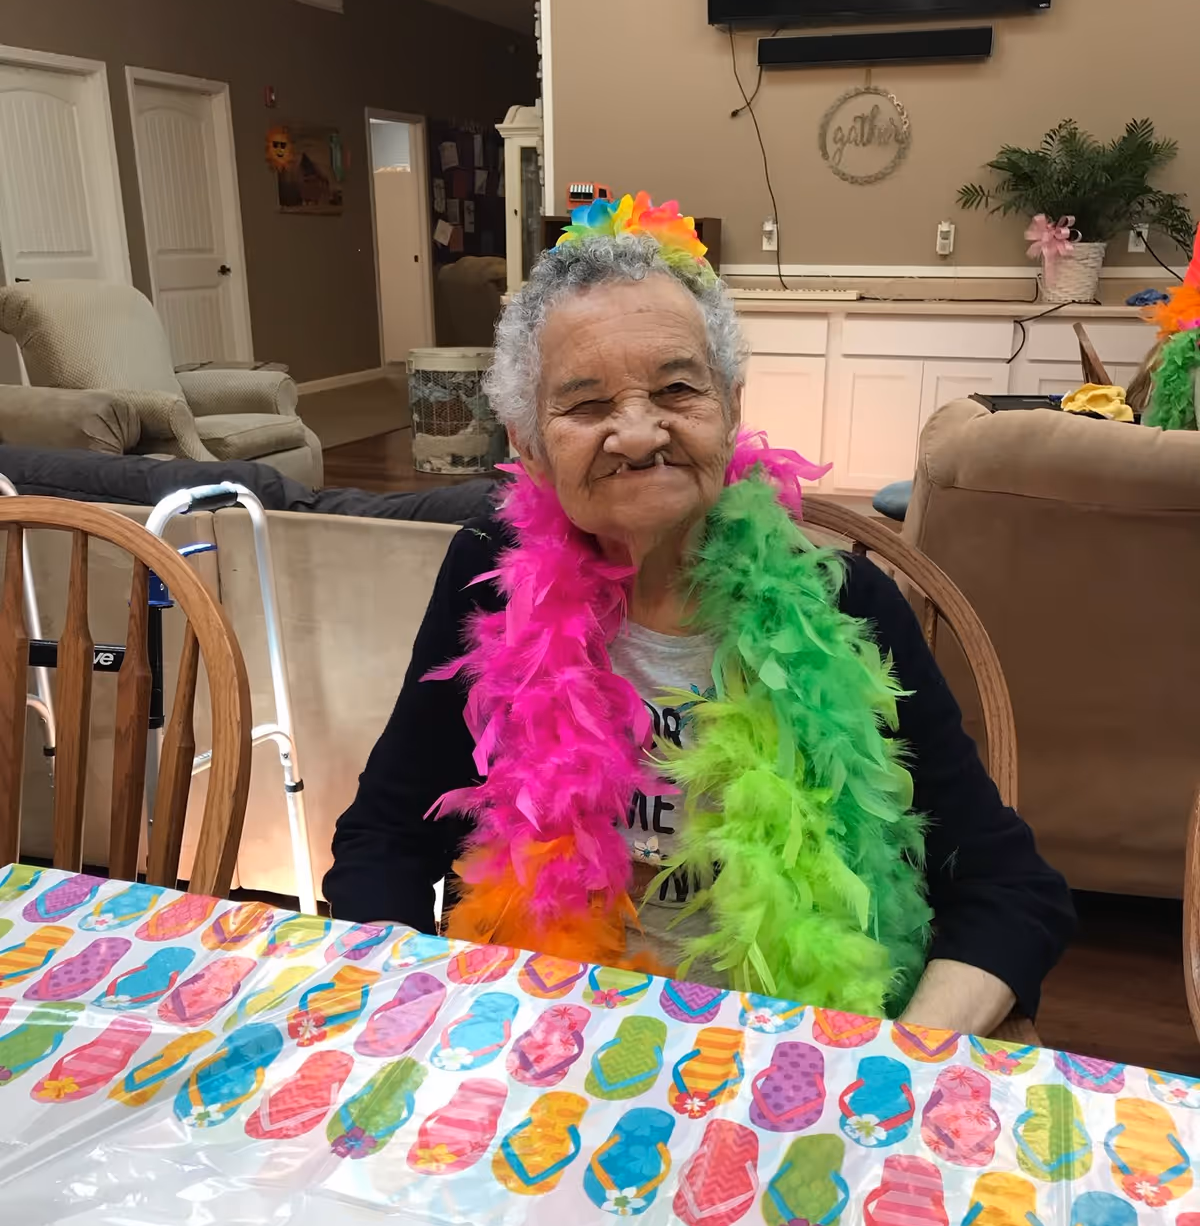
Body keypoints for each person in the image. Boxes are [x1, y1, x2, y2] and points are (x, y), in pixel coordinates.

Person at [325, 193, 1073, 1028]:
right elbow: (384, 842)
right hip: (545, 1035)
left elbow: (1010, 888)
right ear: (527, 441)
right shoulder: (489, 583)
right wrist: (404, 1019)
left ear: (732, 407)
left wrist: (894, 1058)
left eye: (678, 389)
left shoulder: (841, 605)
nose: (639, 434)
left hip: (794, 1047)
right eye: (587, 404)